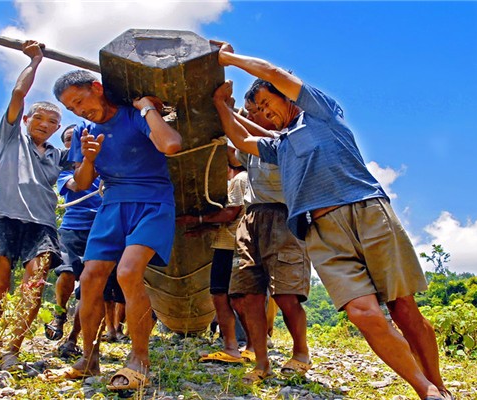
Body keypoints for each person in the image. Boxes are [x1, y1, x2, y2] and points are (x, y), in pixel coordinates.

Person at [211, 41, 451, 400]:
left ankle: (440, 388)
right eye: (257, 109)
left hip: (365, 211)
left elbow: (273, 73)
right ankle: (426, 390)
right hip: (320, 231)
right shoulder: (280, 146)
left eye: (266, 103)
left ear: (287, 97)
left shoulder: (320, 112)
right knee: (362, 311)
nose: (263, 112)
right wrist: (219, 105)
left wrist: (228, 58)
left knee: (403, 307)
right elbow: (242, 139)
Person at [49, 69, 182, 390]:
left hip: (152, 202)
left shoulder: (133, 116)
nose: (79, 111)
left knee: (128, 272)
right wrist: (90, 160)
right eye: (72, 108)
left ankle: (139, 360)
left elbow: (172, 144)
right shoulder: (84, 130)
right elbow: (81, 184)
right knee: (91, 277)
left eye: (80, 101)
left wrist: (147, 108)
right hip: (112, 206)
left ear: (97, 88)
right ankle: (89, 358)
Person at [0, 40, 67, 370]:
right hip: (0, 214)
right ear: (27, 119)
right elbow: (17, 95)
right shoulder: (12, 135)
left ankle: (12, 349)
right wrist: (35, 60)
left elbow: (84, 169)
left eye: (52, 122)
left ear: (56, 128)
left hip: (41, 223)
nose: (44, 124)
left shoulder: (57, 155)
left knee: (34, 285)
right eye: (39, 118)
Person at [226, 94, 312, 384]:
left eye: (256, 111)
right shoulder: (248, 144)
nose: (250, 116)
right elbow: (233, 146)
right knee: (247, 294)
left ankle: (301, 353)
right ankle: (261, 362)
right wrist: (224, 109)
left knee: (286, 294)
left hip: (285, 216)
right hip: (251, 218)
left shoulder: (286, 137)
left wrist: (229, 111)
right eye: (248, 111)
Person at [177, 147, 249, 364]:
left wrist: (197, 219)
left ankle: (231, 347)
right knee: (239, 298)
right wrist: (205, 230)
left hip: (230, 247)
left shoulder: (239, 180)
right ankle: (251, 345)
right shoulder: (251, 179)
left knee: (221, 296)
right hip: (235, 243)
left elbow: (231, 213)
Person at [43, 124, 105, 359]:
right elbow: (77, 184)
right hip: (72, 228)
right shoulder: (64, 170)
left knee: (89, 288)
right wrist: (89, 162)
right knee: (67, 273)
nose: (73, 143)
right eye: (69, 140)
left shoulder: (105, 164)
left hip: (100, 229)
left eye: (77, 138)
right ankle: (60, 314)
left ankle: (73, 339)